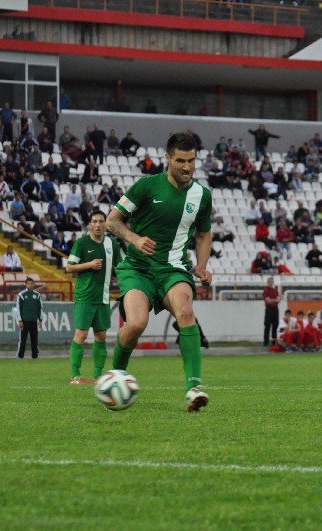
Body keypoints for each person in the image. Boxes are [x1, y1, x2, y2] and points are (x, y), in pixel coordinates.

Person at [106, 132, 212, 412]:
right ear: (167, 158)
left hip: (174, 269)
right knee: (136, 325)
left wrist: (201, 265)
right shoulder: (145, 187)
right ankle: (116, 376)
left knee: (186, 312)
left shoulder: (202, 195)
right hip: (138, 268)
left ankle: (193, 388)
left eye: (191, 161)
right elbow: (112, 221)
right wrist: (134, 239)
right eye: (180, 161)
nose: (187, 167)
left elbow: (203, 233)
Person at [65, 210, 120, 384]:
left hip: (103, 297)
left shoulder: (112, 245)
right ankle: (75, 375)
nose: (98, 225)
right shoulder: (81, 243)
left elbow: (119, 268)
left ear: (105, 224)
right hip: (85, 297)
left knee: (101, 336)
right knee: (80, 335)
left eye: (101, 221)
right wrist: (89, 264)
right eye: (94, 221)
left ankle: (98, 376)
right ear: (89, 224)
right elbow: (69, 267)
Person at [13, 277, 43, 359]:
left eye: (31, 283)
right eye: (28, 283)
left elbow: (40, 307)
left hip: (33, 321)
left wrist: (40, 319)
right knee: (23, 340)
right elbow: (18, 308)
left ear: (33, 284)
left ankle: (35, 356)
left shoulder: (37, 295)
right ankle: (20, 356)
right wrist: (20, 320)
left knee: (34, 340)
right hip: (24, 321)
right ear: (25, 284)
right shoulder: (21, 295)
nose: (30, 285)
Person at [262, 276, 280, 346]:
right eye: (270, 282)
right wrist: (275, 300)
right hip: (269, 309)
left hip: (275, 309)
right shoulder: (266, 290)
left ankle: (274, 342)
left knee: (275, 326)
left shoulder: (275, 290)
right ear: (267, 282)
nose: (271, 283)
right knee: (267, 326)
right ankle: (266, 342)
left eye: (272, 282)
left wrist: (273, 300)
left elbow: (278, 299)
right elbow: (267, 301)